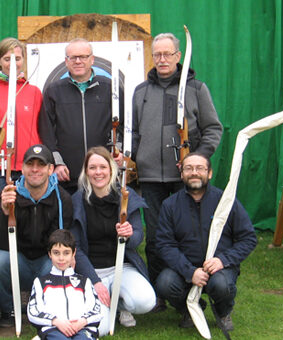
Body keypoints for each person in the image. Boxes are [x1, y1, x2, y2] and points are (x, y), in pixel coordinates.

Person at [131, 32, 223, 310]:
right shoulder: (140, 92)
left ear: (178, 56)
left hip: (186, 180)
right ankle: (161, 292)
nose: (162, 59)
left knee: (190, 237)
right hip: (150, 179)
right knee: (157, 237)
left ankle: (194, 290)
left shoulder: (196, 89)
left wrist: (196, 160)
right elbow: (133, 134)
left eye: (167, 54)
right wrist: (135, 158)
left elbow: (213, 129)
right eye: (157, 54)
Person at [155, 153, 257, 332]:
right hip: (184, 267)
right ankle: (191, 308)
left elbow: (248, 238)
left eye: (200, 168)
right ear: (181, 174)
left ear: (209, 173)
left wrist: (223, 260)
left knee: (221, 285)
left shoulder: (226, 201)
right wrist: (190, 271)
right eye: (188, 168)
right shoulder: (170, 205)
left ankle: (223, 311)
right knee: (164, 282)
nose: (194, 172)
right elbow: (164, 244)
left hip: (219, 267)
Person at [70, 146, 155, 336]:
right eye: (92, 168)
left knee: (145, 301)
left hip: (121, 268)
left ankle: (120, 305)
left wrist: (129, 235)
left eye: (103, 167)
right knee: (99, 328)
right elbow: (75, 248)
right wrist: (94, 281)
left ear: (111, 169)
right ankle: (106, 308)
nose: (98, 172)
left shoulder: (126, 197)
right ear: (86, 171)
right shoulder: (77, 201)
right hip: (91, 270)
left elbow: (136, 241)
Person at [0, 144, 73, 327]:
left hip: (46, 262)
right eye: (30, 164)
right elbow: (3, 243)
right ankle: (8, 309)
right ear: (23, 168)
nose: (35, 169)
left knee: (63, 263)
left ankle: (47, 311)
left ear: (50, 169)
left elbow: (62, 241)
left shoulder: (62, 199)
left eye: (41, 165)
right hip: (19, 262)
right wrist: (5, 212)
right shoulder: (10, 195)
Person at [39, 38, 123, 194]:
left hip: (103, 175)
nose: (78, 61)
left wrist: (118, 150)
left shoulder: (110, 88)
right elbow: (47, 131)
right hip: (67, 176)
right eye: (73, 57)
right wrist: (57, 163)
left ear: (92, 59)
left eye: (83, 57)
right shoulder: (54, 91)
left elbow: (123, 125)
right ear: (66, 61)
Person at [0, 37, 42, 199]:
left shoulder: (34, 93)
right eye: (7, 59)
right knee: (1, 219)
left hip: (30, 168)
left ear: (23, 60)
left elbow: (42, 130)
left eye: (17, 58)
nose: (12, 63)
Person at [28, 229, 102, 340]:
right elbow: (33, 312)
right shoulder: (40, 282)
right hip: (53, 329)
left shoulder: (84, 281)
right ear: (49, 254)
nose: (61, 258)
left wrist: (82, 322)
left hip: (81, 328)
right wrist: (55, 321)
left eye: (66, 253)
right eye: (56, 253)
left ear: (74, 253)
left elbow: (97, 310)